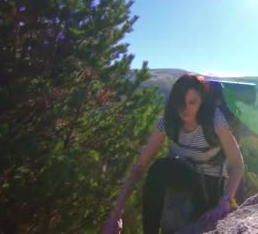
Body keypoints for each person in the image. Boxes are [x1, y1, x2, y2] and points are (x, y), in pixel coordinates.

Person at [102, 73, 245, 234]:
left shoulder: (213, 120)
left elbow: (236, 164)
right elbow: (139, 167)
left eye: (192, 102)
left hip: (209, 183)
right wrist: (115, 215)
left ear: (201, 103)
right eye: (180, 102)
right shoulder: (168, 122)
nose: (184, 109)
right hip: (184, 173)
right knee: (158, 169)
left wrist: (225, 201)